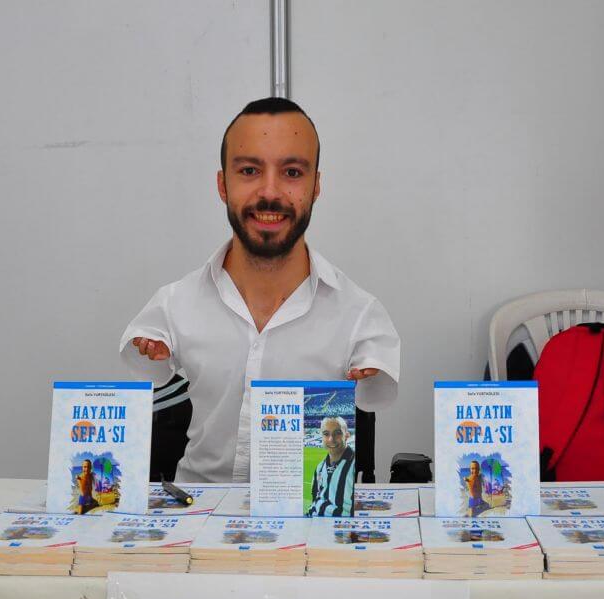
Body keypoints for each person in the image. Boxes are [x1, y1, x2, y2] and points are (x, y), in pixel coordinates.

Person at [120, 98, 400, 482]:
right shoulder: (175, 302)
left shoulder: (359, 313)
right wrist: (150, 351)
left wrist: (369, 378)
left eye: (292, 172)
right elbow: (144, 369)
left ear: (316, 186)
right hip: (196, 507)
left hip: (306, 512)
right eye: (249, 170)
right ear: (223, 184)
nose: (270, 192)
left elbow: (377, 394)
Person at [309, 416, 356, 516]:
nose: (331, 439)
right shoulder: (319, 468)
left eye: (337, 433)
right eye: (326, 434)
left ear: (347, 435)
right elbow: (315, 498)